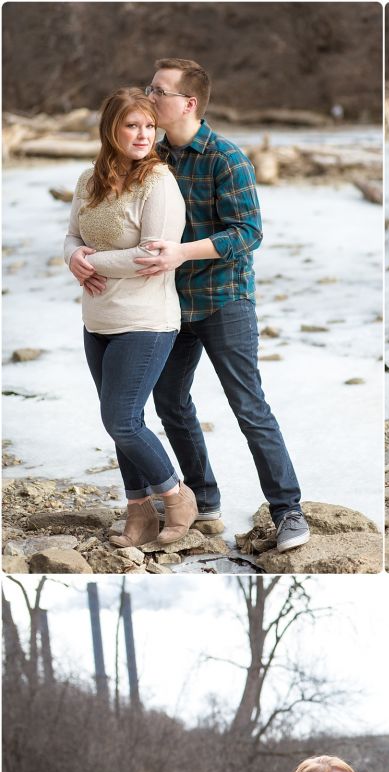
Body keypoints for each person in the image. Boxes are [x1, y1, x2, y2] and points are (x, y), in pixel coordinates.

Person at [135, 58, 308, 551]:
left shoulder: (225, 157)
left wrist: (181, 252)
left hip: (224, 300)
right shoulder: (154, 158)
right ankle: (203, 498)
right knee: (169, 401)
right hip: (167, 304)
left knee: (249, 406)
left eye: (159, 90)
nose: (150, 96)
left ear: (188, 103)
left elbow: (247, 233)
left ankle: (288, 511)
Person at [64, 88, 198, 548]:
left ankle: (177, 496)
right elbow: (72, 236)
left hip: (146, 319)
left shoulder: (158, 181)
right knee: (120, 419)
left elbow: (153, 255)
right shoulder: (89, 179)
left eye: (149, 126)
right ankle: (139, 517)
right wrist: (72, 257)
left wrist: (91, 262)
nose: (143, 135)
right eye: (132, 126)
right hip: (97, 320)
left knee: (122, 420)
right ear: (111, 129)